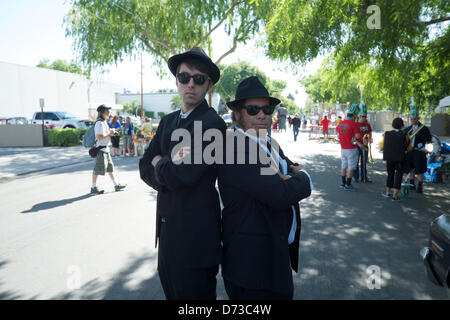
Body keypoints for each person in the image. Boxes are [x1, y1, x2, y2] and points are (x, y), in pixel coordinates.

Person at [139, 47, 226, 300]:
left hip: (196, 241)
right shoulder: (167, 121)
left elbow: (180, 176)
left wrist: (161, 162)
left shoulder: (212, 125)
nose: (191, 83)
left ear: (208, 85)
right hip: (167, 236)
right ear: (176, 79)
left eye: (199, 79)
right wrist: (165, 165)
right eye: (184, 76)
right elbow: (145, 166)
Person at [219, 76, 312, 300]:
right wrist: (306, 177)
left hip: (274, 256)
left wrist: (288, 175)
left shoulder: (267, 141)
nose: (262, 114)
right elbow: (282, 193)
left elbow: (288, 167)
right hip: (251, 268)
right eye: (252, 109)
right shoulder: (235, 148)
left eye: (267, 108)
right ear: (237, 114)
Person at [91, 105, 126, 194]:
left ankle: (116, 185)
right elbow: (99, 137)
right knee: (97, 169)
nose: (109, 112)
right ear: (102, 112)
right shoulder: (99, 123)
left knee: (110, 169)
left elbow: (105, 134)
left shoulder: (104, 122)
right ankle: (93, 187)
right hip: (101, 150)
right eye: (107, 111)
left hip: (106, 149)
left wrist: (112, 132)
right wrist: (109, 133)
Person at [404, 101, 432, 194]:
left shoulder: (424, 128)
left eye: (414, 119)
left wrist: (418, 136)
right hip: (410, 151)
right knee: (411, 168)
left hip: (419, 152)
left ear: (418, 118)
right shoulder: (408, 128)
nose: (412, 121)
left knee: (420, 170)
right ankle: (412, 184)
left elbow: (428, 139)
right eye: (411, 119)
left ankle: (420, 186)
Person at [381, 117, 412, 201]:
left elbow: (382, 145)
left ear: (393, 125)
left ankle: (387, 192)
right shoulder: (406, 135)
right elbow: (409, 148)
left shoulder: (387, 134)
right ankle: (395, 196)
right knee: (398, 175)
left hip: (389, 158)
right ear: (402, 125)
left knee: (390, 174)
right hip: (400, 158)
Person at [336, 104, 361, 191]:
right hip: (352, 148)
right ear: (354, 116)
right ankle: (348, 184)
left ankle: (343, 183)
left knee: (343, 165)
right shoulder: (354, 124)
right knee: (351, 167)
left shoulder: (340, 123)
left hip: (343, 148)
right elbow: (357, 136)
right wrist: (353, 137)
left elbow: (338, 136)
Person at [354, 104, 372, 183]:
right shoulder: (355, 125)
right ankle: (356, 177)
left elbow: (370, 133)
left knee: (364, 163)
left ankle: (364, 177)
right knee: (356, 162)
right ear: (359, 116)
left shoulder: (367, 124)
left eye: (365, 116)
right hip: (357, 146)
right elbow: (353, 137)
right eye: (363, 116)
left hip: (365, 145)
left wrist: (368, 140)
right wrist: (359, 143)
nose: (364, 118)